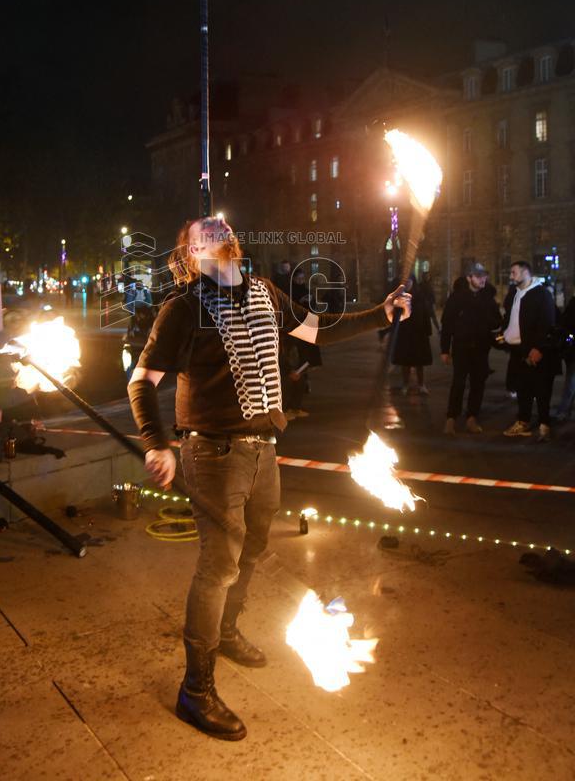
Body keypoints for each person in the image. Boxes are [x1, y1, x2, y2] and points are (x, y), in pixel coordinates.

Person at [127, 216, 411, 741]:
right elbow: (141, 380)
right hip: (212, 452)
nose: (215, 230)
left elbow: (318, 329)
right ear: (191, 253)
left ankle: (227, 631)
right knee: (218, 565)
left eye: (219, 227)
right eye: (202, 232)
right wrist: (155, 442)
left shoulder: (264, 292)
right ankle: (196, 689)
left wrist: (381, 312)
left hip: (263, 449)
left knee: (253, 549)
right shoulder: (183, 306)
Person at [440, 263, 502, 434]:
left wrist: (490, 324)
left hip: (481, 348)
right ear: (469, 278)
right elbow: (447, 325)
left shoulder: (488, 298)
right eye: (478, 276)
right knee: (458, 383)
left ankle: (472, 417)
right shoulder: (457, 298)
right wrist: (444, 349)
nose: (483, 279)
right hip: (461, 347)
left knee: (478, 384)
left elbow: (497, 322)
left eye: (484, 276)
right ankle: (451, 418)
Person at [502, 260, 560, 441]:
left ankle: (544, 425)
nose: (511, 276)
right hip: (518, 351)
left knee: (541, 390)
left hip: (536, 352)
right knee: (523, 389)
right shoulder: (514, 293)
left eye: (514, 272)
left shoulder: (542, 294)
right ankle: (523, 421)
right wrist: (504, 334)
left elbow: (547, 323)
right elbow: (509, 317)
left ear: (526, 272)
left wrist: (539, 348)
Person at [391, 274, 432, 394]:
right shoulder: (399, 297)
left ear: (413, 282)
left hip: (419, 333)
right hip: (405, 333)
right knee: (405, 362)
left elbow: (426, 314)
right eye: (405, 282)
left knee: (420, 362)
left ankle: (421, 385)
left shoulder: (420, 296)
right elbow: (394, 316)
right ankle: (405, 384)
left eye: (409, 281)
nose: (407, 283)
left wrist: (427, 331)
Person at [555, 292, 575, 421]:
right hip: (573, 351)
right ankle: (563, 411)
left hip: (571, 351)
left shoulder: (572, 304)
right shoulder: (573, 305)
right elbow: (568, 327)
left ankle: (563, 411)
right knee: (571, 382)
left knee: (571, 382)